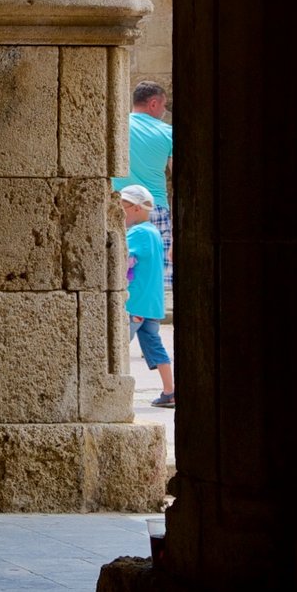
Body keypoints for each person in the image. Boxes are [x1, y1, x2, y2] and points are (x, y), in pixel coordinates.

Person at [120, 183, 173, 408]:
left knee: (119, 345)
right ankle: (170, 391)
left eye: (123, 207)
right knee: (154, 346)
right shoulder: (153, 232)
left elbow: (122, 257)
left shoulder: (139, 233)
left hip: (136, 303)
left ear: (136, 208)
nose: (120, 212)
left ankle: (116, 392)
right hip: (151, 305)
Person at [119, 81, 174, 292]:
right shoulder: (167, 132)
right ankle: (150, 322)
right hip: (155, 209)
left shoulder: (118, 126)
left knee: (123, 275)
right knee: (157, 279)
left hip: (120, 208)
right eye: (164, 105)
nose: (164, 111)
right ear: (153, 103)